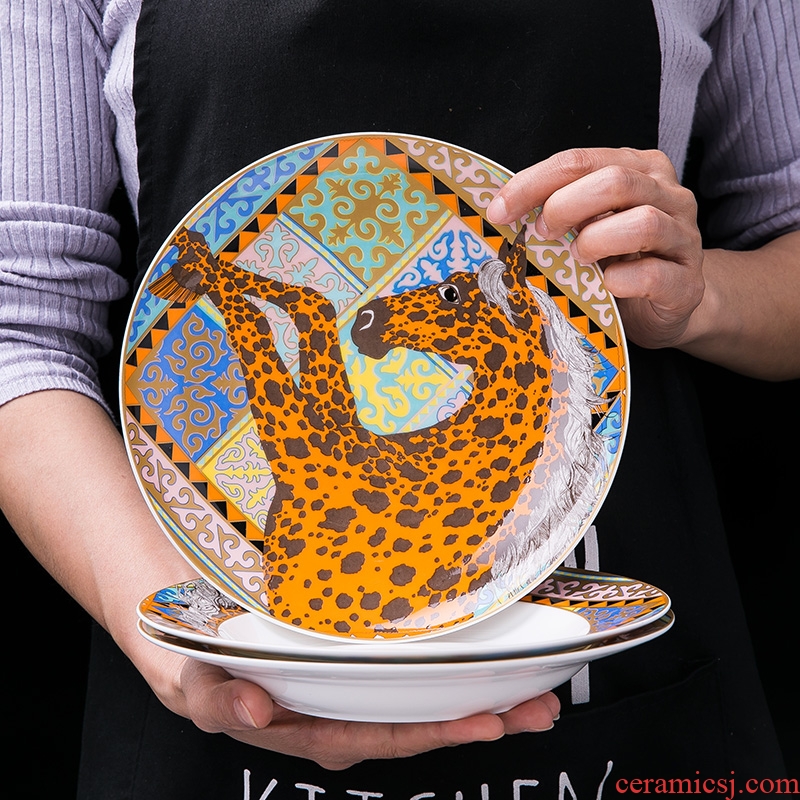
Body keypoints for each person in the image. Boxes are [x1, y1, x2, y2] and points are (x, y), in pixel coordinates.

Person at [1, 0, 797, 797]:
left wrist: (701, 299)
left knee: (305, 352)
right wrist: (190, 648)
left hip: (615, 692)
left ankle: (220, 281)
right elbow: (21, 331)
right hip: (234, 676)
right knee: (307, 349)